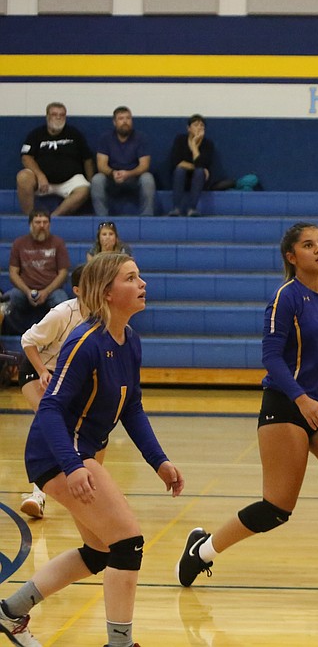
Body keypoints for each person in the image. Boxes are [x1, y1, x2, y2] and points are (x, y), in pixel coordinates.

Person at [176, 222, 318, 601]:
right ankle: (203, 550)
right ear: (292, 258)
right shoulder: (286, 297)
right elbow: (270, 358)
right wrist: (301, 399)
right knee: (277, 508)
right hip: (286, 404)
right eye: (309, 245)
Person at [0, 253, 185, 647]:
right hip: (56, 453)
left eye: (140, 276)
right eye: (132, 278)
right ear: (108, 293)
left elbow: (131, 406)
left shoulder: (129, 340)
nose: (142, 284)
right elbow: (49, 407)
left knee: (100, 550)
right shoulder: (84, 342)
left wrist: (159, 460)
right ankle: (119, 643)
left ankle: (10, 612)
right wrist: (71, 466)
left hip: (78, 452)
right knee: (127, 542)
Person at [16, 264, 88, 521]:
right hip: (37, 371)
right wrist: (43, 372)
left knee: (87, 428)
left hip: (65, 377)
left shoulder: (103, 315)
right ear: (78, 290)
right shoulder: (62, 313)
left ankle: (94, 487)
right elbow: (27, 341)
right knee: (50, 421)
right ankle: (37, 495)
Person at [17, 102, 94, 217]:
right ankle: (31, 218)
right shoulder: (36, 134)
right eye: (54, 114)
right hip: (42, 181)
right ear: (47, 116)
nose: (58, 117)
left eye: (62, 115)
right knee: (23, 177)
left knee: (84, 189)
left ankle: (54, 218)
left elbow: (87, 159)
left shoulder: (74, 134)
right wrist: (40, 175)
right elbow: (26, 157)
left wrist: (90, 181)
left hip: (69, 181)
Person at [6, 210, 70, 336]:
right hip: (25, 290)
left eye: (45, 222)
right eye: (38, 222)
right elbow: (13, 272)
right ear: (30, 224)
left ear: (49, 225)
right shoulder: (19, 243)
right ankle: (23, 335)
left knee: (62, 302)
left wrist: (46, 292)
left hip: (51, 290)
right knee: (10, 301)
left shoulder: (58, 243)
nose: (42, 226)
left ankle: (54, 336)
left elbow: (63, 273)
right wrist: (27, 291)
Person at [91, 106, 156, 217]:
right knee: (97, 179)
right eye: (121, 118)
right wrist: (113, 173)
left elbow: (144, 165)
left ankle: (146, 217)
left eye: (128, 118)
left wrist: (128, 174)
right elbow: (101, 165)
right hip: (112, 177)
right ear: (114, 122)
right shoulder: (105, 138)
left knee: (148, 178)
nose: (125, 121)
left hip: (134, 177)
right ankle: (102, 219)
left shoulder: (141, 138)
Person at [167, 114, 217, 217]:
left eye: (202, 125)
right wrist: (200, 167)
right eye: (196, 125)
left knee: (199, 172)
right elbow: (177, 162)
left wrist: (194, 145)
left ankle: (192, 208)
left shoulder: (207, 144)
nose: (199, 127)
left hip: (199, 180)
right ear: (188, 128)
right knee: (180, 170)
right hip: (181, 177)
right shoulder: (180, 140)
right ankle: (176, 208)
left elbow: (201, 164)